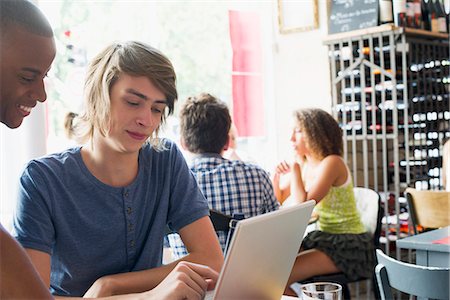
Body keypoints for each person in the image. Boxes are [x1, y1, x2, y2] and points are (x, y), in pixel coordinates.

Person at [12, 40, 223, 297]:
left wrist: (110, 285)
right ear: (96, 97)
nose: (146, 120)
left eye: (157, 109)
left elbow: (212, 260)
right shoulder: (42, 180)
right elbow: (29, 297)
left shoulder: (165, 160)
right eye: (133, 102)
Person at [271, 108, 374, 296]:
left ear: (315, 133)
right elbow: (275, 200)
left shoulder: (332, 163)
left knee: (276, 280)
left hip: (347, 244)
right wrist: (276, 176)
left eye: (298, 131)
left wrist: (294, 168)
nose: (291, 138)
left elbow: (303, 204)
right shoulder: (305, 164)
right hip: (325, 238)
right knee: (270, 271)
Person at [168, 93, 279, 257]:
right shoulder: (257, 176)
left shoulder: (171, 187)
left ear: (183, 142)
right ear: (227, 142)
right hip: (250, 282)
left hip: (192, 282)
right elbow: (276, 235)